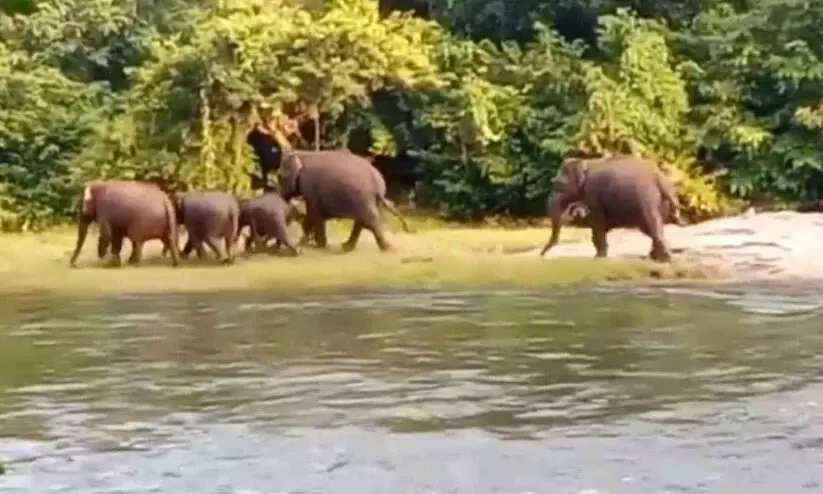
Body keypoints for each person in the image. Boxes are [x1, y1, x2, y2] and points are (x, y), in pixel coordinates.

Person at [245, 103, 282, 189]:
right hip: (264, 155)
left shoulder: (268, 132)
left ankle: (268, 180)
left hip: (269, 156)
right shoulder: (259, 131)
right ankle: (266, 180)